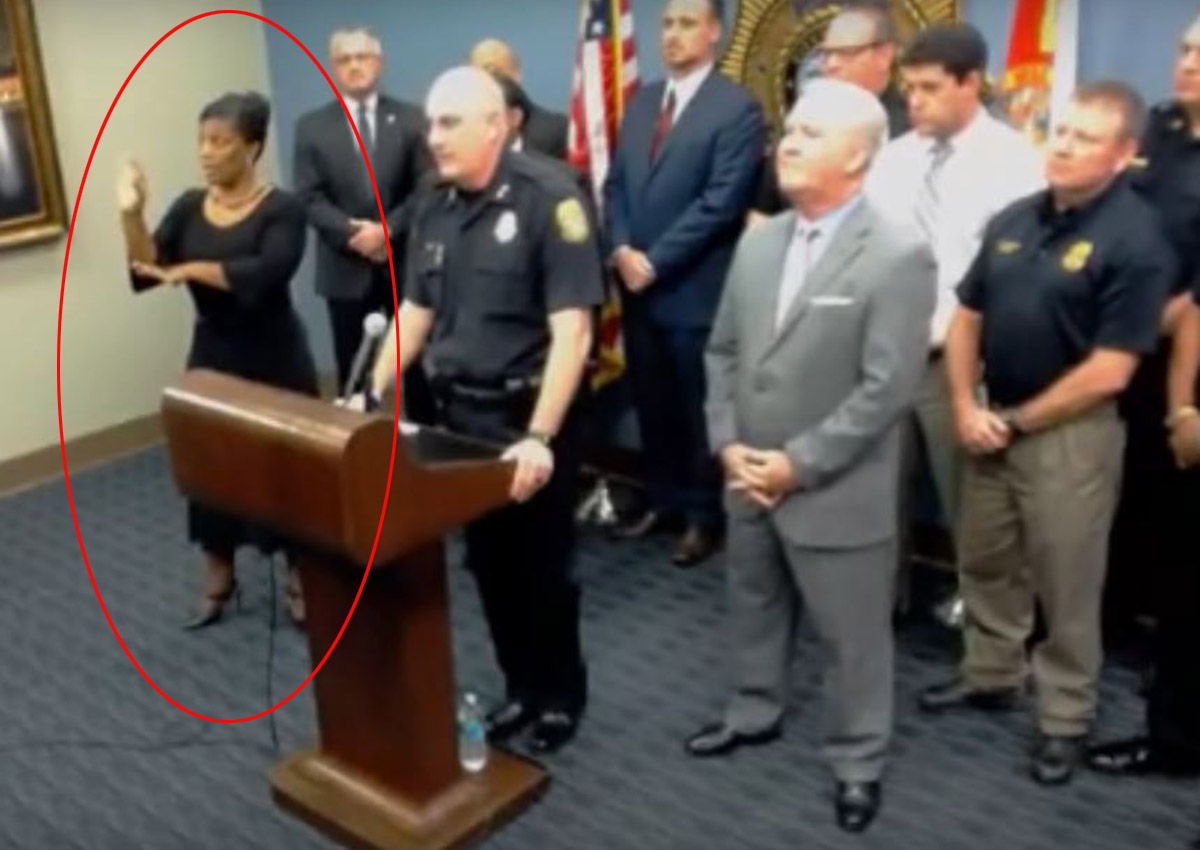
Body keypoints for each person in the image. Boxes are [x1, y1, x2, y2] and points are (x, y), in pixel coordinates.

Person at [685, 79, 935, 834]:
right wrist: (728, 442)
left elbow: (887, 389)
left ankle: (858, 759)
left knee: (852, 636)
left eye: (809, 134)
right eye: (788, 130)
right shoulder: (759, 241)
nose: (787, 143)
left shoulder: (897, 255)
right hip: (747, 474)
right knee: (754, 601)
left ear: (857, 156)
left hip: (835, 485)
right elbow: (723, 351)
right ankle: (754, 708)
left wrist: (800, 463)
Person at [918, 82, 1175, 786]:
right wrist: (965, 405)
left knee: (1067, 586)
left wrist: (1015, 422)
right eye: (1061, 131)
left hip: (1070, 438)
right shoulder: (1016, 217)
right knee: (985, 558)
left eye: (1085, 138)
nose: (1063, 146)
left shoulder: (1138, 240)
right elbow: (967, 318)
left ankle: (1065, 715)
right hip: (989, 417)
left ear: (1123, 154)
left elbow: (1111, 370)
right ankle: (991, 673)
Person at [366, 66, 602, 754]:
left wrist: (539, 436)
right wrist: (370, 390)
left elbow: (574, 333)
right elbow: (416, 311)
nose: (434, 137)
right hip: (458, 419)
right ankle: (520, 687)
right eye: (431, 124)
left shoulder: (550, 199)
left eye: (450, 124)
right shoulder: (434, 203)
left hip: (528, 418)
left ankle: (560, 697)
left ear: (496, 127)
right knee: (490, 568)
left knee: (543, 570)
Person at [117, 91, 317, 629]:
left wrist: (193, 270)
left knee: (287, 467)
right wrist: (131, 216)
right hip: (213, 355)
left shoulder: (283, 209)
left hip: (274, 357)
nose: (206, 152)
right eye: (202, 141)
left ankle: (300, 574)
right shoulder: (188, 206)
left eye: (220, 141)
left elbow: (266, 274)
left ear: (251, 148)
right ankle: (219, 573)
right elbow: (147, 269)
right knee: (211, 463)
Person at [866, 22, 1043, 604]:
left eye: (929, 88)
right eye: (909, 88)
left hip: (959, 363)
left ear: (971, 83)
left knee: (972, 505)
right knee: (879, 495)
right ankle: (882, 605)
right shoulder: (893, 160)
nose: (913, 101)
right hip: (888, 352)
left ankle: (986, 628)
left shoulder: (1014, 164)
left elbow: (1016, 281)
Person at [603, 0, 764, 566]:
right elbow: (616, 186)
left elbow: (721, 202)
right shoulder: (643, 101)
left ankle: (702, 516)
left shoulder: (736, 108)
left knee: (699, 408)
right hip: (637, 287)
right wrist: (621, 247)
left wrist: (655, 261)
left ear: (714, 32)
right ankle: (663, 499)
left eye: (687, 24)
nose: (672, 35)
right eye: (667, 24)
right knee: (652, 401)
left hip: (694, 288)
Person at [1087, 15, 1200, 781]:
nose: (1186, 61)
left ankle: (1174, 687)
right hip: (1123, 352)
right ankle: (1122, 633)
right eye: (1185, 47)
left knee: (1180, 528)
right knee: (1121, 500)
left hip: (1176, 355)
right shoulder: (1157, 128)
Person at [293, 27, 432, 417]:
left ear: (379, 63)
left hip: (404, 265)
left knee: (418, 372)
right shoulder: (312, 126)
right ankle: (358, 446)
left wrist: (387, 231)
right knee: (354, 375)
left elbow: (427, 187)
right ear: (332, 67)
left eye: (362, 57)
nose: (354, 66)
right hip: (344, 268)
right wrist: (355, 234)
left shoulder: (412, 119)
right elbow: (308, 197)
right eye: (344, 59)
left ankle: (425, 443)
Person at [752, 1, 910, 218]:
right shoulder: (803, 118)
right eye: (826, 54)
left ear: (884, 56)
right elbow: (762, 209)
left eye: (846, 53)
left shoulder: (913, 127)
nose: (831, 65)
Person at [469, 38, 569, 159]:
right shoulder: (460, 135)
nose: (488, 81)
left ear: (517, 75)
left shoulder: (556, 131)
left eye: (495, 72)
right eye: (478, 74)